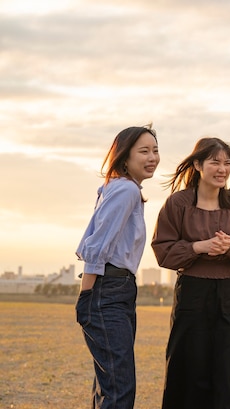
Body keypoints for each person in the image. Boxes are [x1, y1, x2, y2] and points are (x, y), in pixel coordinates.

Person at [151, 137, 230, 409]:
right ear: (199, 164)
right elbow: (162, 250)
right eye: (215, 162)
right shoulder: (178, 204)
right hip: (192, 291)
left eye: (227, 163)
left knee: (229, 369)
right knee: (187, 366)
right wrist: (198, 246)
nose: (222, 168)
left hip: (229, 294)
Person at [75, 125, 160, 409]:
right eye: (144, 151)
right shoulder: (126, 190)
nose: (153, 158)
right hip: (108, 291)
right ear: (124, 156)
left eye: (155, 151)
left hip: (116, 290)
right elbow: (97, 246)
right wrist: (87, 296)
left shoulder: (122, 189)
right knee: (119, 388)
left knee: (109, 384)